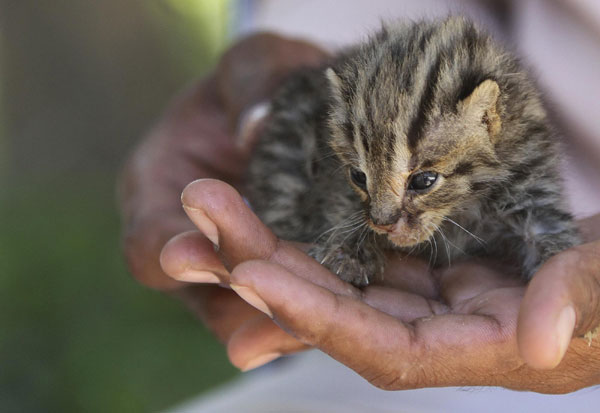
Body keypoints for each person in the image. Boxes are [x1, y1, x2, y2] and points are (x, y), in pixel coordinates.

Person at [119, 0, 600, 410]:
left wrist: (564, 274)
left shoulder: (513, 141)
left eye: (423, 181)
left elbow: (545, 228)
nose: (382, 217)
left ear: (490, 118)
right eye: (361, 179)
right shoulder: (358, 138)